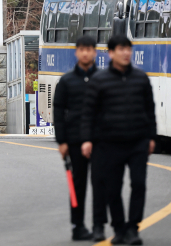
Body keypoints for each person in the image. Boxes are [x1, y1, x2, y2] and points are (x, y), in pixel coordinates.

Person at [81, 35, 156, 245]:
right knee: (112, 188)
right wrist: (87, 140)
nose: (125, 53)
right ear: (111, 53)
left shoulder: (141, 78)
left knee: (139, 184)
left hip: (138, 142)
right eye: (121, 49)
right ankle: (119, 227)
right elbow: (89, 113)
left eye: (128, 49)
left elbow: (150, 110)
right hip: (109, 143)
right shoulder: (99, 80)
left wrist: (151, 136)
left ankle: (133, 228)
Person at [53, 35, 108, 241]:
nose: (85, 53)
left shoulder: (103, 78)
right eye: (82, 49)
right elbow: (58, 111)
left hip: (100, 141)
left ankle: (99, 226)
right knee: (78, 184)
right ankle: (78, 226)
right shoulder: (66, 81)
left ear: (95, 52)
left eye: (89, 49)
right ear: (77, 52)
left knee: (100, 183)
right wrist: (62, 141)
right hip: (74, 141)